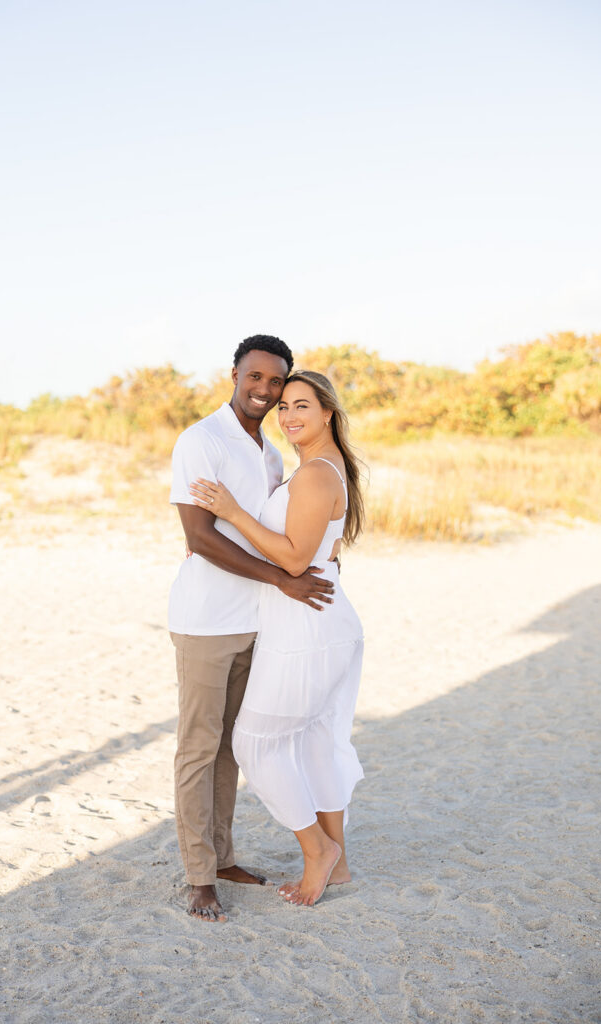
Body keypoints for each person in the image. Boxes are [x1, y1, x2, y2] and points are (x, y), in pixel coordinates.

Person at [169, 337, 336, 923]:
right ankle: (198, 877)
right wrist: (281, 578)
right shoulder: (200, 440)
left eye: (276, 382)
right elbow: (200, 536)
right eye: (255, 377)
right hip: (205, 621)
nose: (265, 391)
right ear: (234, 374)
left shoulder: (268, 450)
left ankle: (223, 857)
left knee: (230, 750)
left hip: (256, 620)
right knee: (197, 748)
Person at [190, 370, 365, 907]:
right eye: (283, 407)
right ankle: (337, 860)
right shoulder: (319, 470)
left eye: (301, 406)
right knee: (315, 740)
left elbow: (292, 557)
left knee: (254, 743)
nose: (288, 416)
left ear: (328, 412)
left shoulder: (315, 474)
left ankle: (318, 852)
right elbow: (314, 551)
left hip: (307, 627)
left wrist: (232, 512)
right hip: (316, 620)